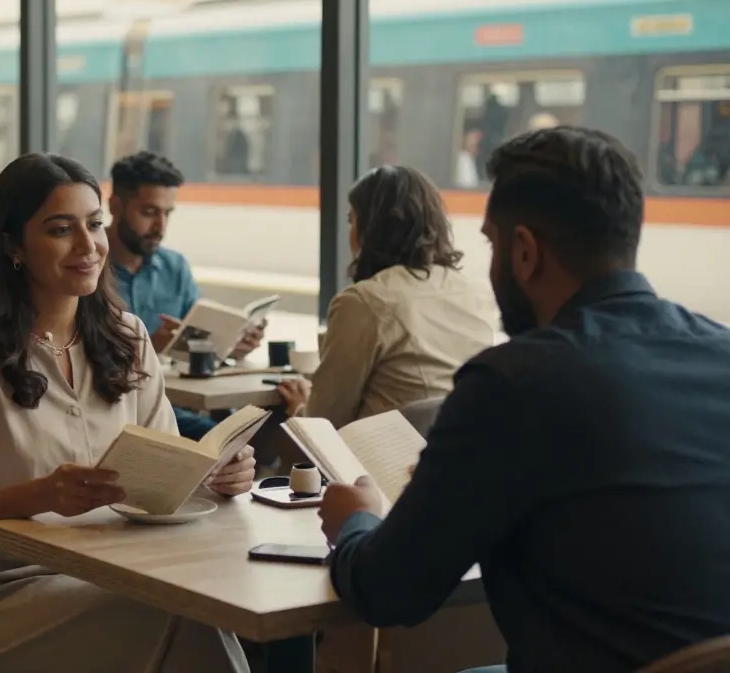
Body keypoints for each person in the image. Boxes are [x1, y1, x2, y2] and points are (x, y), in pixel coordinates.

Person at [318, 127, 730, 672]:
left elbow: (390, 592)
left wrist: (356, 520)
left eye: (492, 244)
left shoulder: (513, 384)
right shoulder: (720, 351)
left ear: (526, 252)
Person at [0, 152, 255, 673]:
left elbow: (165, 479)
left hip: (119, 576)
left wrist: (214, 476)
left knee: (207, 609)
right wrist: (43, 494)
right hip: (2, 598)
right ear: (12, 246)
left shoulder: (129, 337)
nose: (89, 245)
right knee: (186, 618)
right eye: (60, 229)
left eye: (95, 224)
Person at [276, 166, 497, 428]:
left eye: (352, 220)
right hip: (454, 454)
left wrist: (300, 406)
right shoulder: (475, 292)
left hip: (379, 461)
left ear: (369, 229)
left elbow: (323, 421)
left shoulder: (364, 301)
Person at [107, 151, 264, 441]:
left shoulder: (174, 267)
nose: (160, 227)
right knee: (229, 439)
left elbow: (197, 337)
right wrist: (148, 348)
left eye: (167, 214)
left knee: (250, 429)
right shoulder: (86, 268)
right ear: (115, 205)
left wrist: (232, 345)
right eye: (149, 212)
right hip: (118, 408)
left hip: (175, 404)